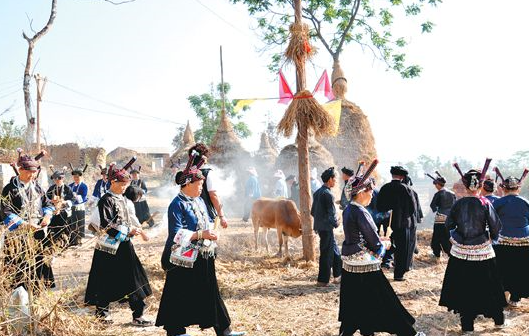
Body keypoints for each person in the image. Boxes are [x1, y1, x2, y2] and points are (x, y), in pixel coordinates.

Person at [155, 151, 245, 336]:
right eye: (200, 184)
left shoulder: (200, 202)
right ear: (187, 183)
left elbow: (206, 223)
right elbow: (175, 234)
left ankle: (224, 330)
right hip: (181, 258)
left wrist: (211, 233)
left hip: (203, 256)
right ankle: (175, 330)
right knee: (177, 293)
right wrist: (200, 234)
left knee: (210, 291)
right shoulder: (176, 205)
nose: (202, 187)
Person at [339, 160, 425, 336]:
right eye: (370, 190)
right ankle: (408, 333)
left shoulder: (348, 210)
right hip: (366, 264)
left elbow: (359, 236)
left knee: (354, 301)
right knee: (387, 302)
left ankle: (362, 329)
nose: (372, 194)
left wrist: (379, 239)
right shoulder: (362, 212)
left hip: (350, 264)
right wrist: (384, 243)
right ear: (361, 192)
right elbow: (375, 244)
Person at [84, 158, 153, 326]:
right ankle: (102, 314)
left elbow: (130, 219)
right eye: (121, 184)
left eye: (125, 185)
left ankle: (138, 314)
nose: (124, 187)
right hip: (107, 247)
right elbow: (107, 225)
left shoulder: (125, 200)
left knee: (133, 278)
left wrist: (137, 231)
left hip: (124, 246)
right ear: (112, 182)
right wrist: (127, 231)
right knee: (104, 278)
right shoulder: (106, 200)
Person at [439, 164, 506, 333]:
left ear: (465, 185)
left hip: (461, 252)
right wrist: (492, 239)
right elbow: (496, 226)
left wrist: (457, 237)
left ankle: (467, 326)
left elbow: (449, 225)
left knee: (464, 287)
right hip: (483, 250)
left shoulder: (458, 204)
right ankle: (499, 321)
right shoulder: (485, 203)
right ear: (481, 185)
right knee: (490, 286)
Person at [1, 150, 55, 290]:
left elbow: (47, 203)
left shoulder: (36, 187)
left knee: (39, 262)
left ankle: (37, 293)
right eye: (29, 172)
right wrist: (25, 224)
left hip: (37, 231)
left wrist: (47, 216)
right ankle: (19, 295)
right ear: (20, 170)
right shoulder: (9, 189)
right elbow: (6, 212)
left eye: (34, 172)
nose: (31, 175)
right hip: (19, 235)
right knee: (19, 265)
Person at [492, 169, 529, 307]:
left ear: (503, 188)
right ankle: (515, 298)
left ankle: (504, 296)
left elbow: (491, 221)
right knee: (520, 270)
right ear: (518, 188)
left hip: (503, 242)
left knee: (503, 269)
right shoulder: (525, 202)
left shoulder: (498, 203)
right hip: (524, 242)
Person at [376, 166, 416, 281]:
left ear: (392, 175)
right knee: (402, 249)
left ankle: (383, 266)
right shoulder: (406, 189)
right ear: (402, 177)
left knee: (387, 246)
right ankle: (398, 274)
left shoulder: (384, 188)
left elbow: (379, 207)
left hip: (387, 224)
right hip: (403, 225)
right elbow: (412, 208)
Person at [311, 167, 342, 286]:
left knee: (335, 251)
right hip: (327, 228)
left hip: (320, 227)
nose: (335, 181)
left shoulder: (317, 192)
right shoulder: (328, 194)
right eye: (335, 179)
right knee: (326, 253)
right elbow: (331, 215)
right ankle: (322, 280)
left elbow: (313, 212)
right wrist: (337, 222)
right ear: (330, 179)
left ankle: (338, 276)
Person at [188, 143, 228, 229]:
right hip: (205, 216)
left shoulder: (186, 174)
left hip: (188, 215)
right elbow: (213, 195)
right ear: (205, 158)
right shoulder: (208, 173)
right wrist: (222, 216)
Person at [426, 172, 456, 259]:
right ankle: (450, 252)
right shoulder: (452, 193)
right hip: (450, 218)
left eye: (436, 184)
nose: (435, 186)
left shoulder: (438, 194)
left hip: (440, 217)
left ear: (438, 184)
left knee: (437, 236)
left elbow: (432, 206)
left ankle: (437, 253)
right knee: (447, 235)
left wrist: (437, 210)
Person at [68, 164, 88, 246]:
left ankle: (79, 239)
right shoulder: (70, 186)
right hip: (71, 206)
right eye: (75, 177)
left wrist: (76, 197)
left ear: (81, 177)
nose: (76, 178)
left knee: (80, 223)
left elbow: (83, 196)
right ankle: (73, 239)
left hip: (80, 207)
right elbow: (67, 195)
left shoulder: (84, 186)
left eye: (78, 177)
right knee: (72, 222)